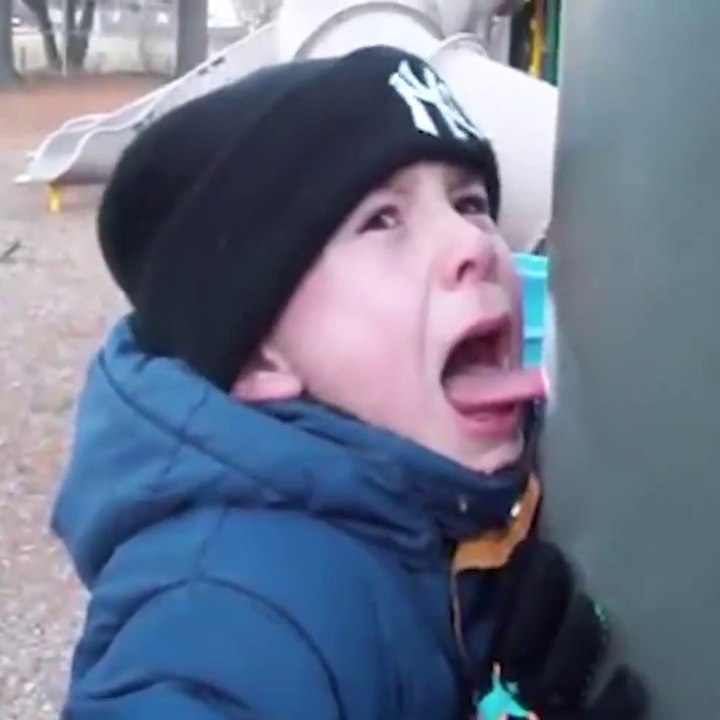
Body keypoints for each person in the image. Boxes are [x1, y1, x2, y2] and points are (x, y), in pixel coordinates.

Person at [51, 46, 645, 719]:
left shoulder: (447, 497)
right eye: (382, 220)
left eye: (470, 203)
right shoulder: (232, 608)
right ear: (260, 357)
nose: (475, 244)